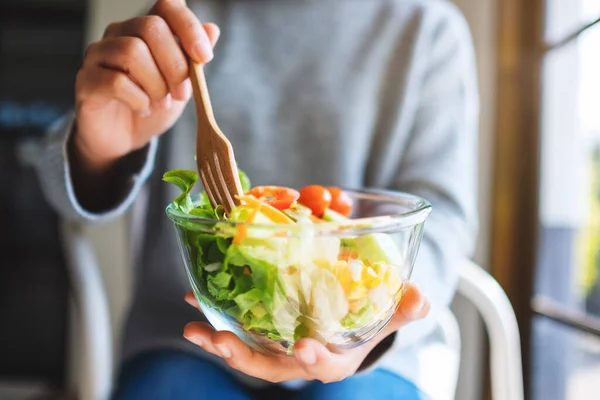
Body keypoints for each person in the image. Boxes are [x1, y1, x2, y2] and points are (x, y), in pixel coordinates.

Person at [34, 0, 479, 398]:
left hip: (370, 354)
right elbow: (65, 201)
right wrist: (97, 151)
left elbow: (443, 217)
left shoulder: (428, 30)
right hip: (187, 339)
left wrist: (369, 329)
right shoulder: (180, 25)